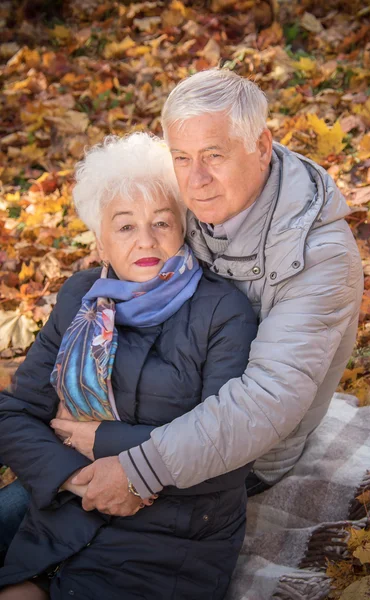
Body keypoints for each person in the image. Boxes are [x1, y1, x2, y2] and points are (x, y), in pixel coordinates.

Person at [56, 67, 363, 514]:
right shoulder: (190, 200)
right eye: (181, 157)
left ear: (261, 146)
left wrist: (134, 463)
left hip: (243, 456)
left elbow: (266, 401)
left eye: (213, 155)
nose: (195, 179)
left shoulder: (320, 257)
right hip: (147, 413)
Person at [0, 132, 257, 599]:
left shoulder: (224, 312)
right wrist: (75, 478)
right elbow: (14, 414)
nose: (146, 240)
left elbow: (230, 454)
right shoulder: (82, 297)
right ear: (101, 240)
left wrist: (103, 441)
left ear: (184, 228)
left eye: (161, 222)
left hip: (176, 533)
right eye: (124, 226)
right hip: (67, 509)